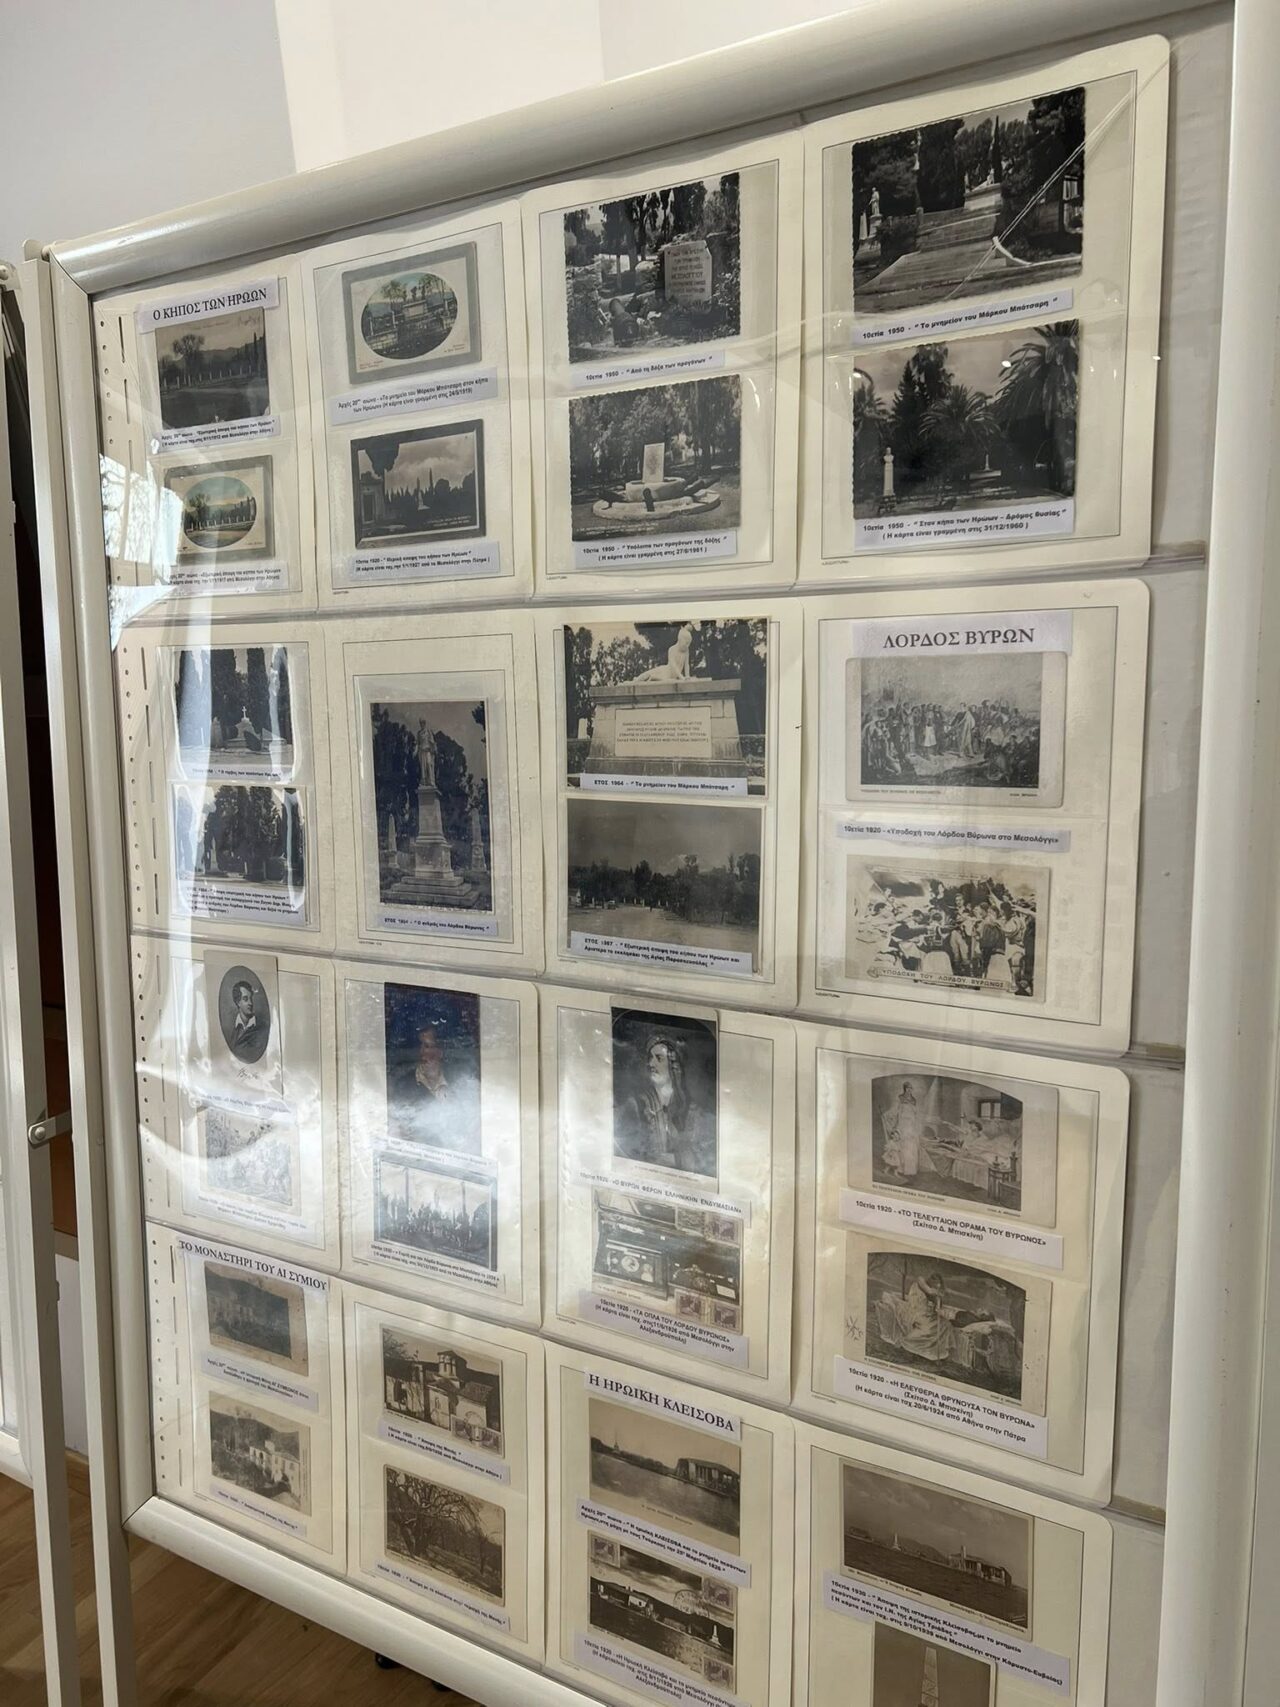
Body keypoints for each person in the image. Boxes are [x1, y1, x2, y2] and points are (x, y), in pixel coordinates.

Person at [616, 1033, 712, 1173]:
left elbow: (707, 1154)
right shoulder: (636, 1105)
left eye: (659, 1058)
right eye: (650, 1058)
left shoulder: (691, 1109)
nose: (651, 1064)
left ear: (673, 1065)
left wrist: (676, 1159)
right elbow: (624, 1149)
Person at [388, 1025, 479, 1152]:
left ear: (440, 1051)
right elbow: (401, 1133)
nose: (422, 1052)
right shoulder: (403, 1085)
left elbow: (473, 1124)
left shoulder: (459, 1080)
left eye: (427, 1046)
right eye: (419, 1046)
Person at [882, 1082, 923, 1180]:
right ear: (904, 1089)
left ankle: (910, 1170)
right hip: (902, 1125)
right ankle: (900, 1169)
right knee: (901, 1146)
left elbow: (915, 1113)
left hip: (911, 1126)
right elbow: (895, 1110)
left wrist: (916, 1124)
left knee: (911, 1146)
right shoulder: (900, 1098)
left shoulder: (914, 1100)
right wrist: (886, 1115)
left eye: (911, 1088)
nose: (909, 1090)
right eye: (908, 1088)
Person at [227, 981, 262, 1060]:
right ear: (238, 1002)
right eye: (245, 999)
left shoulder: (261, 1027)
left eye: (251, 998)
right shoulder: (232, 1030)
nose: (250, 1003)